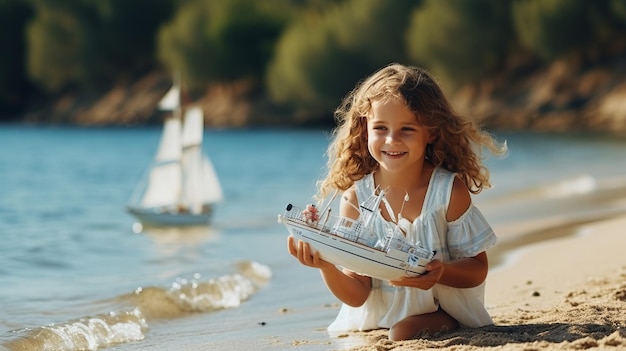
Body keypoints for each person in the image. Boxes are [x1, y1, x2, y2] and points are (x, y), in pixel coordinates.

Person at [287, 63, 507, 341]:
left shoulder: (447, 192)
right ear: (364, 129)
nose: (392, 140)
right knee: (395, 332)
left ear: (432, 133)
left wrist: (439, 274)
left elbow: (477, 270)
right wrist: (326, 266)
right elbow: (357, 294)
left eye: (407, 129)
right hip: (379, 317)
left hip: (441, 308)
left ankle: (439, 324)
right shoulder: (355, 198)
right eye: (380, 127)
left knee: (401, 333)